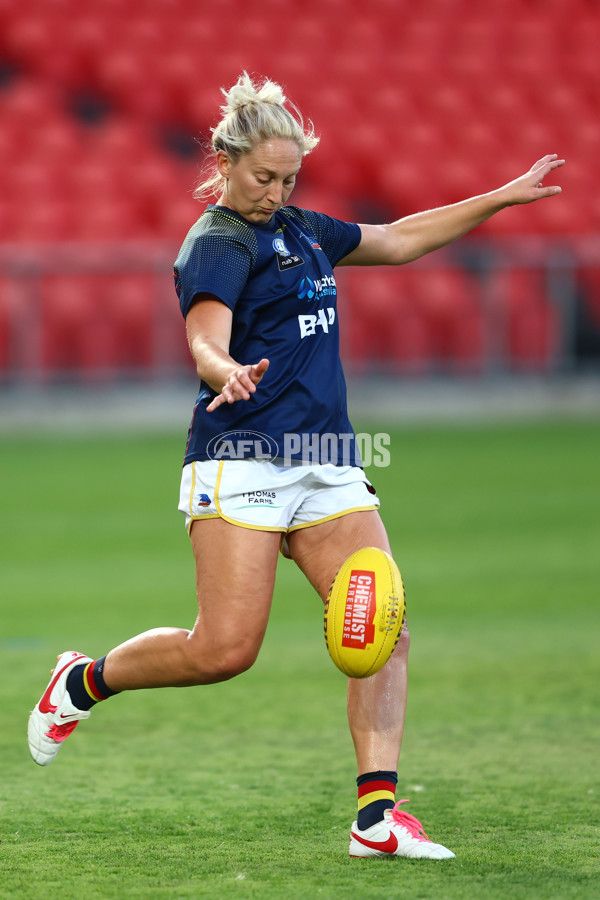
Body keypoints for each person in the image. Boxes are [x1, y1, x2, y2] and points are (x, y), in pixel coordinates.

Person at [28, 72, 564, 861]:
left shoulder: (303, 228)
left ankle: (376, 818)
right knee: (224, 651)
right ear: (224, 159)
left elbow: (401, 238)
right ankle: (83, 681)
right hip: (239, 459)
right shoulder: (218, 241)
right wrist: (223, 370)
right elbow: (204, 334)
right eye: (263, 176)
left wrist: (499, 196)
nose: (276, 191)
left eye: (288, 178)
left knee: (382, 625)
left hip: (326, 461)